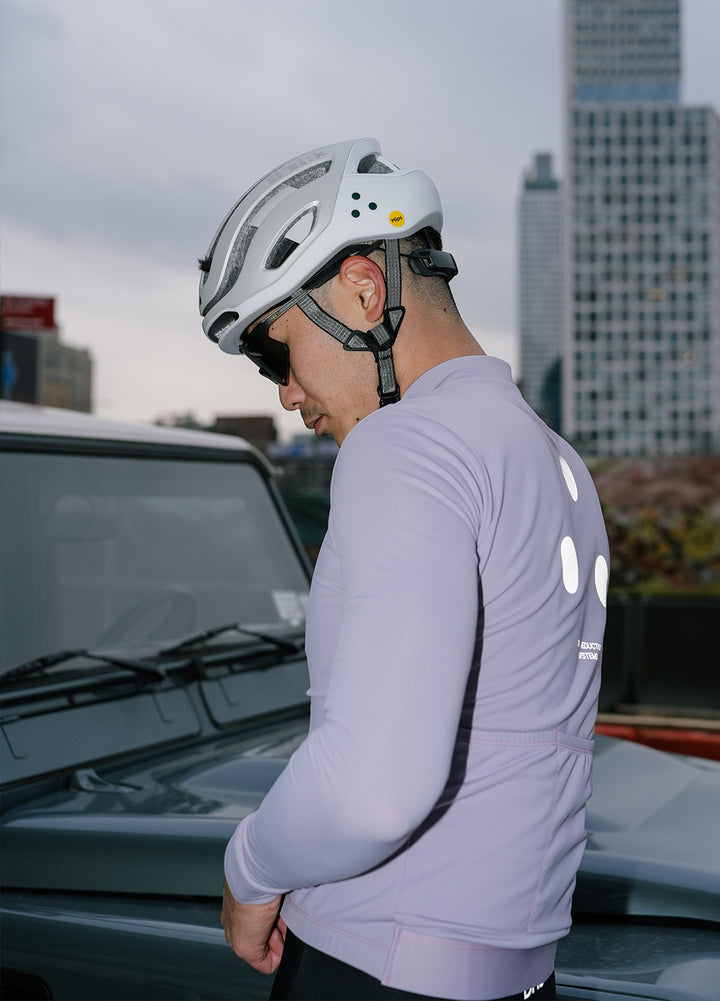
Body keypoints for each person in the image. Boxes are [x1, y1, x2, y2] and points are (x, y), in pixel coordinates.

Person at [198, 138, 609, 1001]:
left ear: (362, 287)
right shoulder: (555, 459)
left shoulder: (406, 444)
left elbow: (372, 789)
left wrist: (248, 870)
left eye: (274, 351)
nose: (284, 393)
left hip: (372, 965)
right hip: (517, 977)